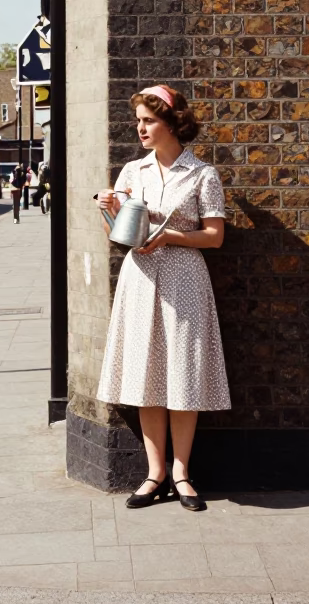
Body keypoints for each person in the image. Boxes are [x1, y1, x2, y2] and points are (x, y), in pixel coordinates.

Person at [95, 85, 228, 512]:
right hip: (140, 278)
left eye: (148, 121)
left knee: (183, 371)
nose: (140, 128)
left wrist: (172, 236)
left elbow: (215, 236)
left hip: (185, 278)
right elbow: (118, 234)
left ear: (171, 123)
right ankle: (155, 473)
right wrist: (107, 209)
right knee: (147, 372)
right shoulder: (133, 172)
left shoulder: (202, 174)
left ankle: (182, 473)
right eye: (138, 121)